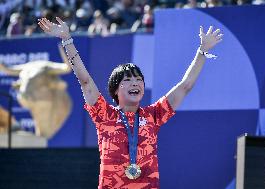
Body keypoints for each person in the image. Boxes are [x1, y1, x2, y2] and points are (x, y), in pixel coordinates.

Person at [38, 17, 223, 189]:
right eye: (127, 80)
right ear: (115, 89)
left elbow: (185, 86)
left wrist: (202, 51)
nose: (135, 83)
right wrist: (67, 39)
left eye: (139, 79)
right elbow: (84, 80)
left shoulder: (154, 115)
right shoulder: (104, 114)